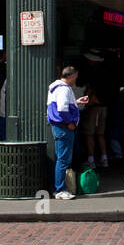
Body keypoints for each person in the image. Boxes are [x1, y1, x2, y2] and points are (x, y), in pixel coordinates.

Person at [46, 66, 88, 199]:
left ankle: (59, 188)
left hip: (59, 126)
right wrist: (69, 122)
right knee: (63, 159)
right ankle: (59, 190)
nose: (76, 79)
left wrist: (75, 102)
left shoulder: (56, 88)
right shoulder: (64, 89)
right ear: (71, 76)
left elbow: (60, 105)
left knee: (61, 158)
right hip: (63, 127)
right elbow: (63, 108)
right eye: (75, 77)